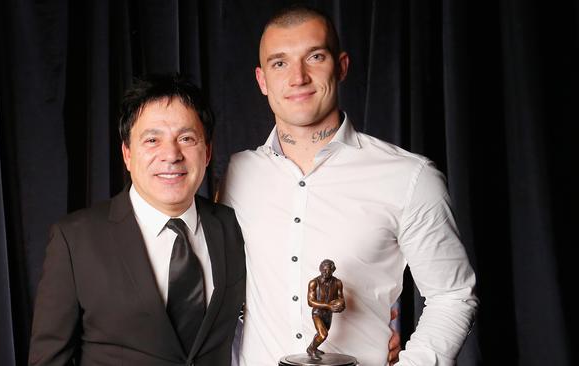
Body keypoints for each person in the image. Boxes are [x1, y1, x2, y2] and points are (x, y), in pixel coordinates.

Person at [220, 4, 478, 366]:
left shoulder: (409, 177)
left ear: (341, 67)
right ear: (263, 81)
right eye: (280, 63)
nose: (297, 77)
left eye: (314, 57)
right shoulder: (237, 173)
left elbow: (452, 294)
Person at [29, 74, 245, 366]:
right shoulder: (75, 240)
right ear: (127, 154)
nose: (171, 154)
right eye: (152, 140)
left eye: (186, 138)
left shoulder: (232, 226)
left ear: (207, 152)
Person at [306, 259, 345, 360]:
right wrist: (328, 306)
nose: (325, 272)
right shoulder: (314, 283)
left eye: (328, 270)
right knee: (323, 334)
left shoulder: (338, 283)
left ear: (333, 270)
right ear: (320, 269)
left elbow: (341, 298)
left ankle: (311, 348)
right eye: (323, 270)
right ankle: (313, 350)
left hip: (328, 314)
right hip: (317, 313)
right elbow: (310, 302)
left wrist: (341, 306)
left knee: (321, 333)